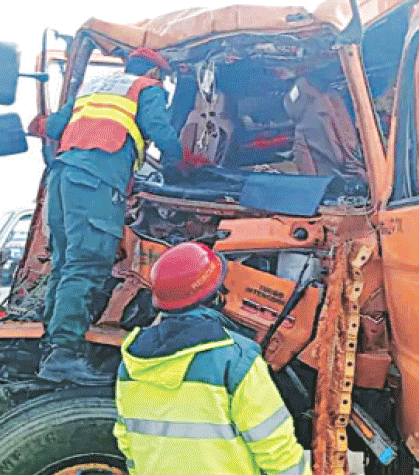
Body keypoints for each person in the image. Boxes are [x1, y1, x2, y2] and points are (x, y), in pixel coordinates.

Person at [29, 48, 185, 385]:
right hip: (96, 179)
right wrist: (182, 164)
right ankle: (64, 354)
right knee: (86, 263)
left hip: (63, 176)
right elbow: (160, 130)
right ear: (155, 73)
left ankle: (52, 346)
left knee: (65, 263)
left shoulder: (94, 88)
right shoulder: (147, 89)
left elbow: (54, 126)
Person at [114, 242, 310, 475]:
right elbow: (275, 446)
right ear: (215, 295)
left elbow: (128, 442)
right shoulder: (235, 359)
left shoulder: (132, 361)